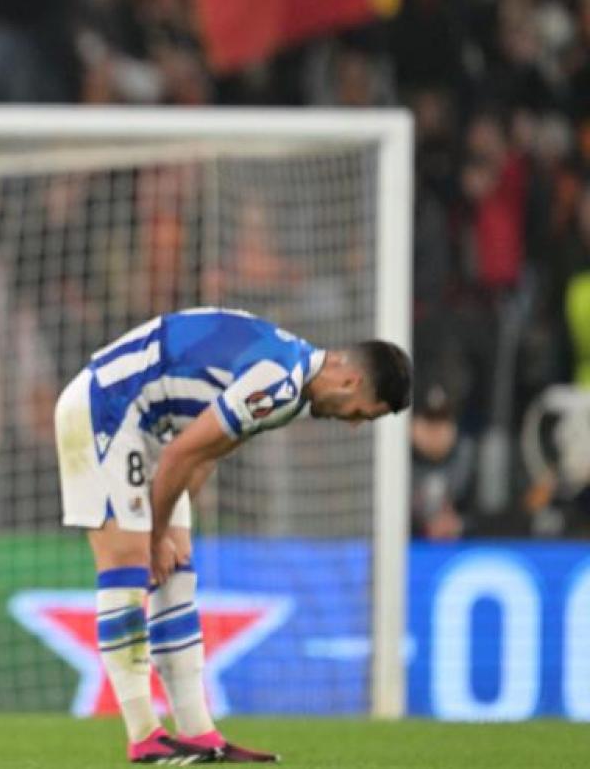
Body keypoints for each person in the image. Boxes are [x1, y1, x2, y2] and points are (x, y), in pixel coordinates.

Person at [54, 307, 411, 764]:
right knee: (129, 562)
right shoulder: (279, 383)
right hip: (107, 407)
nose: (355, 423)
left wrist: (172, 535)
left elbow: (206, 450)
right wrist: (156, 534)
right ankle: (144, 735)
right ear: (351, 382)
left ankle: (198, 733)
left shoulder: (293, 385)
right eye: (364, 413)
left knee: (176, 570)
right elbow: (184, 452)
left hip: (153, 425)